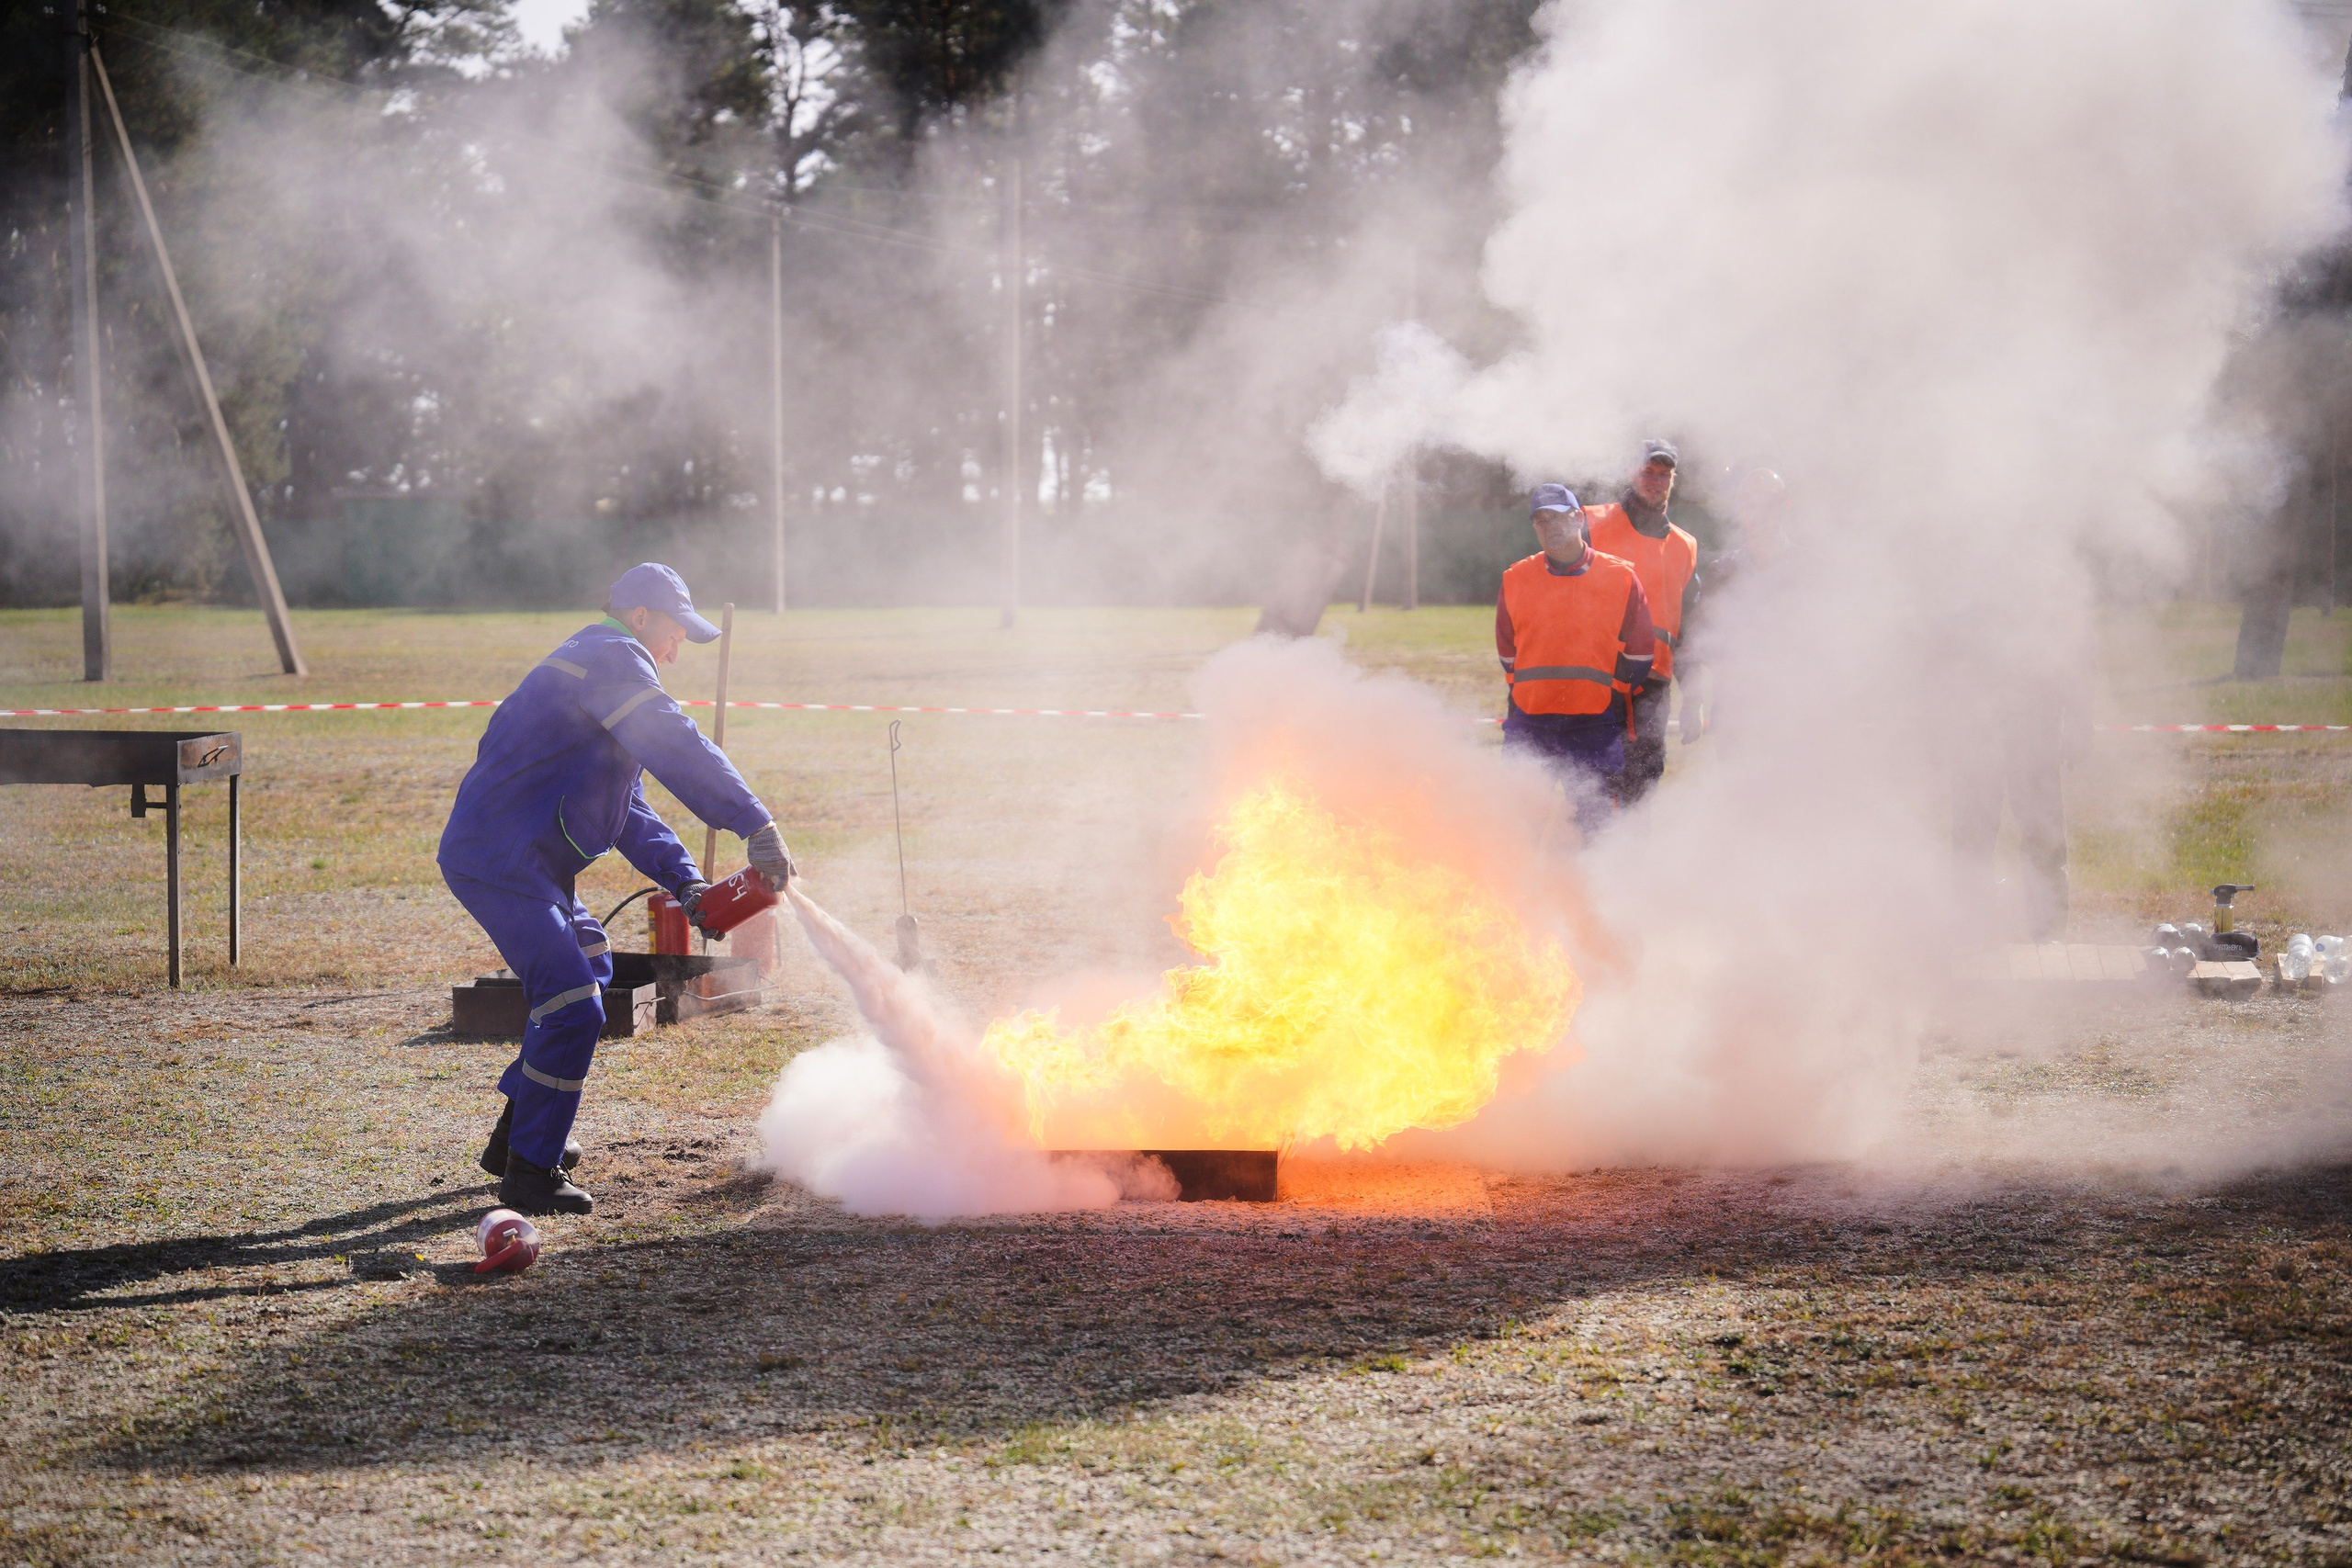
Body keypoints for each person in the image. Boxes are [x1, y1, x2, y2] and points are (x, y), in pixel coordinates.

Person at [439, 563, 795, 1214]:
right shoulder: (613, 658)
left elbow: (625, 806)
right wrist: (754, 820)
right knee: (573, 1001)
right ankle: (529, 1174)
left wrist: (688, 884)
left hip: (528, 859)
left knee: (594, 965)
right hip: (501, 858)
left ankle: (518, 1133)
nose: (678, 646)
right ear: (639, 617)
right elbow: (677, 745)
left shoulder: (598, 659)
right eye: (676, 629)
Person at [1497, 484, 1657, 832]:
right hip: (1529, 726)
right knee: (1517, 827)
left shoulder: (1621, 577)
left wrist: (1602, 691)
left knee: (1594, 827)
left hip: (1594, 727)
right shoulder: (1514, 578)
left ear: (1580, 519)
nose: (1550, 526)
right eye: (1541, 520)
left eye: (1559, 517)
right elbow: (1507, 655)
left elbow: (1641, 654)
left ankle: (1591, 887)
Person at [1582, 440, 1701, 802]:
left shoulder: (1685, 546)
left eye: (1664, 474)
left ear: (1673, 480)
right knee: (1591, 787)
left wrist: (1691, 698)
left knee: (1642, 787)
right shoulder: (1590, 523)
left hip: (1652, 688)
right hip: (1597, 680)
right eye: (1648, 472)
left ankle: (1631, 858)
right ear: (1631, 473)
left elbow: (1688, 630)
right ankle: (1584, 858)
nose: (1655, 480)